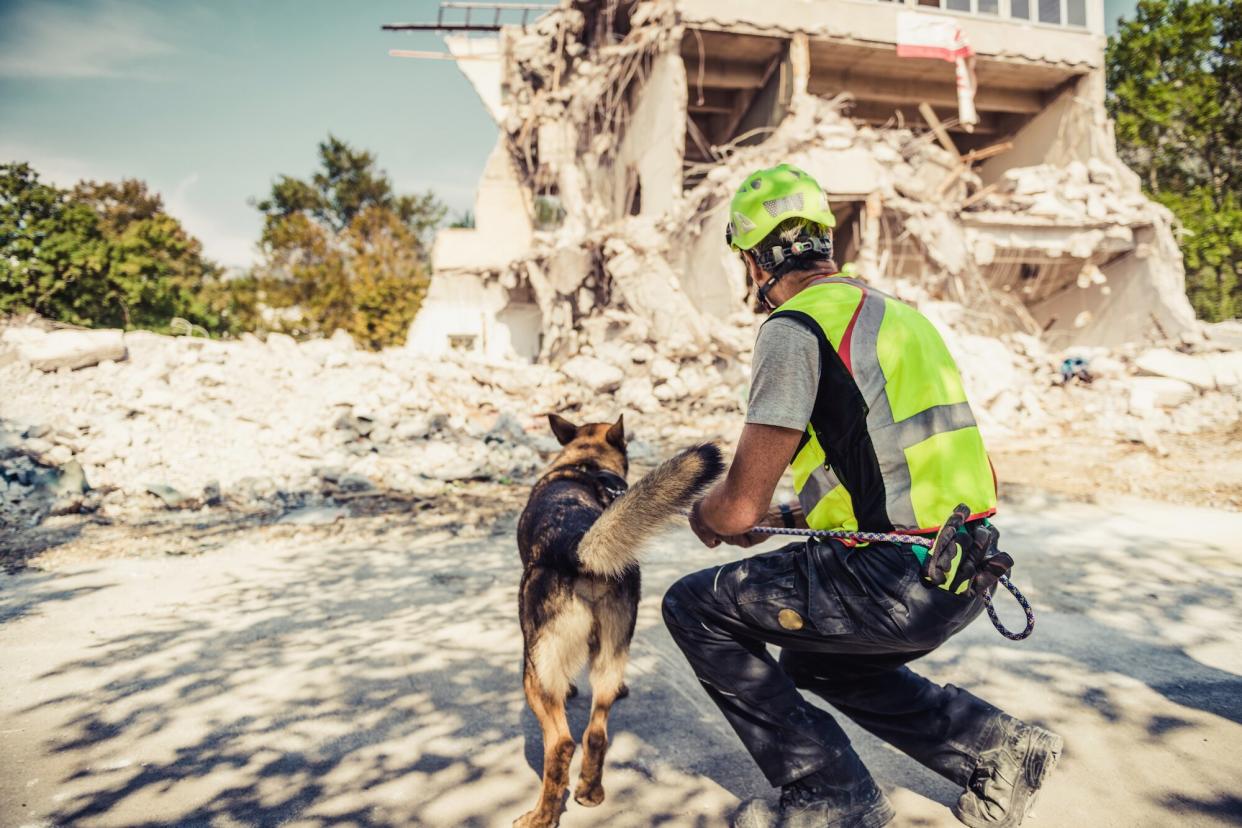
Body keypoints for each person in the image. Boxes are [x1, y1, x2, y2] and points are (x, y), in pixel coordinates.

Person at [661, 164, 1062, 828]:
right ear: (821, 238)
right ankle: (998, 750)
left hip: (890, 587)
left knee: (693, 607)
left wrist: (710, 513)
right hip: (966, 569)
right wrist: (789, 517)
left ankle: (833, 794)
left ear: (756, 259)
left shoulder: (794, 329)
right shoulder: (902, 320)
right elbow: (947, 472)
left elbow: (733, 509)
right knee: (819, 660)